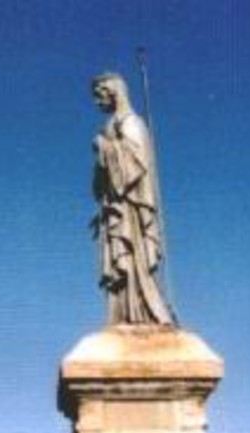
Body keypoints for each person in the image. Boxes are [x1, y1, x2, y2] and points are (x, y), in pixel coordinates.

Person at [91, 72, 175, 326]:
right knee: (122, 263)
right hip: (117, 206)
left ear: (114, 91)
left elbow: (135, 163)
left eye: (99, 94)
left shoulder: (131, 122)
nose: (97, 102)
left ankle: (145, 311)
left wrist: (103, 147)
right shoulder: (113, 123)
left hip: (132, 209)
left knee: (133, 257)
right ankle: (125, 315)